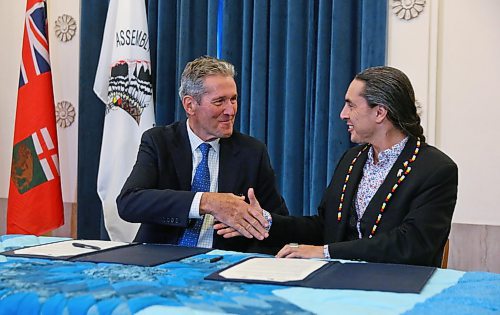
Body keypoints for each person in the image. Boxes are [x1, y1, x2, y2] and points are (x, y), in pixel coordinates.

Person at [216, 66, 458, 266]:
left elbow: (412, 245)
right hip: (338, 284)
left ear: (380, 113)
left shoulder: (436, 170)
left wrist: (324, 252)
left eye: (351, 105)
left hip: (398, 291)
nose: (343, 114)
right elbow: (324, 226)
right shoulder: (352, 159)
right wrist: (266, 221)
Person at [117, 56, 287, 253]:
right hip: (159, 259)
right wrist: (206, 202)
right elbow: (129, 202)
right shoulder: (159, 141)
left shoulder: (252, 152)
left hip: (221, 264)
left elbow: (279, 223)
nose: (230, 110)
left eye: (233, 99)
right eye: (219, 101)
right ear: (190, 105)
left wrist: (259, 221)